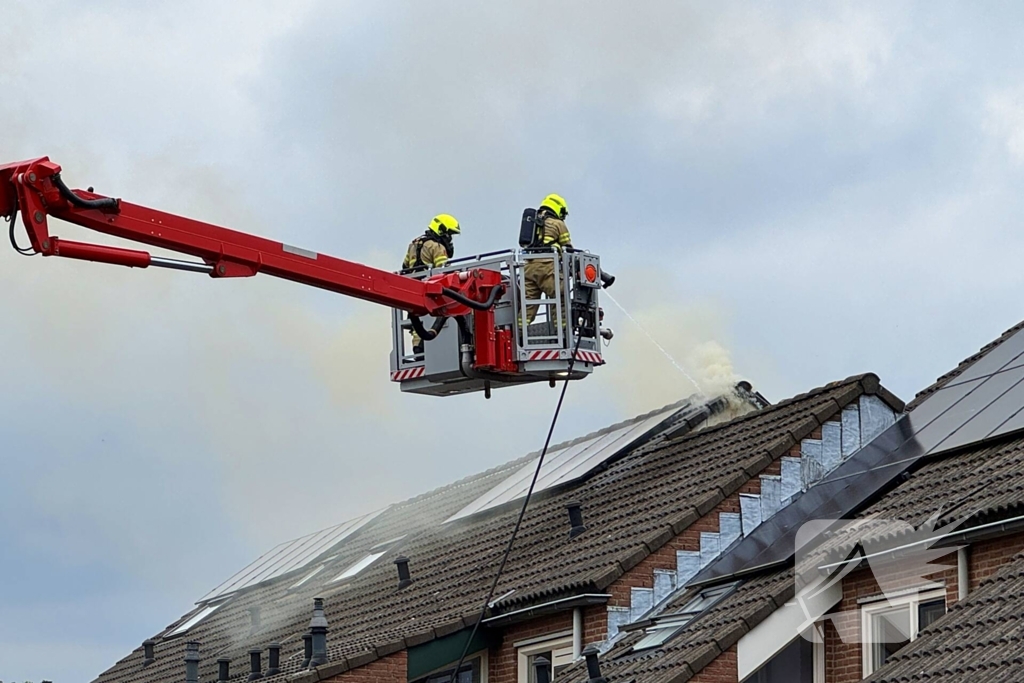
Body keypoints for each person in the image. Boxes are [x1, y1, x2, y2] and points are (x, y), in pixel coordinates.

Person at [402, 214, 461, 353]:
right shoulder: (437, 247)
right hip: (429, 292)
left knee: (417, 322)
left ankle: (418, 351)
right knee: (434, 318)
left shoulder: (413, 244)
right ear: (441, 230)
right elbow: (444, 271)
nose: (450, 238)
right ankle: (432, 351)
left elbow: (405, 267)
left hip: (413, 290)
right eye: (449, 234)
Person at [523, 193, 572, 325]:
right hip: (547, 267)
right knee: (560, 296)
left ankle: (520, 333)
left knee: (528, 305)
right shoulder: (558, 224)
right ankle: (562, 331)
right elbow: (568, 249)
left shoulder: (533, 222)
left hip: (528, 267)